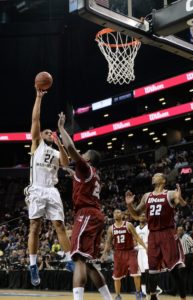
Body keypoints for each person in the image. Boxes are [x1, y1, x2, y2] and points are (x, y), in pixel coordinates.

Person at [58, 112, 113, 300]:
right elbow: (69, 166)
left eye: (85, 155)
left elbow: (71, 149)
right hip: (96, 215)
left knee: (78, 258)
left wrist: (61, 129)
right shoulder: (90, 173)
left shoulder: (86, 168)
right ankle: (108, 298)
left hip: (87, 214)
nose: (82, 155)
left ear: (88, 160)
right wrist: (58, 144)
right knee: (89, 264)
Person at [24, 89, 71, 286]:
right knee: (35, 226)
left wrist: (60, 142)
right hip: (37, 188)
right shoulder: (37, 145)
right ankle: (33, 265)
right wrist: (38, 97)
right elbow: (35, 121)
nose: (47, 133)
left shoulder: (54, 149)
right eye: (45, 132)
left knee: (59, 225)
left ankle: (69, 260)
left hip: (51, 190)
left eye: (49, 132)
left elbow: (66, 163)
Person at [125, 173, 190, 300]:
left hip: (168, 234)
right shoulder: (146, 196)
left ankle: (183, 297)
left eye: (157, 175)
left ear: (164, 180)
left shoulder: (170, 194)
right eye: (153, 175)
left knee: (174, 270)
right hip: (153, 235)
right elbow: (136, 214)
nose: (153, 176)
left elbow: (187, 211)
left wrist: (180, 198)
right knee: (152, 270)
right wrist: (129, 205)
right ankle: (153, 297)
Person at [101, 209, 147, 300]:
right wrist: (104, 253)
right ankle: (118, 295)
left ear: (122, 215)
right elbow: (108, 242)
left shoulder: (128, 225)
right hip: (118, 254)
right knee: (117, 277)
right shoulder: (111, 228)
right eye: (114, 212)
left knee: (136, 273)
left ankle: (138, 293)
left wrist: (146, 247)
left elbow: (137, 237)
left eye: (118, 212)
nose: (116, 214)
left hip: (130, 252)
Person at [135, 213, 162, 298]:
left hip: (148, 249)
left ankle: (152, 288)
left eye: (144, 216)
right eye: (141, 215)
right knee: (142, 272)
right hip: (140, 250)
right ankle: (144, 291)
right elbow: (136, 240)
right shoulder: (136, 228)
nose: (142, 217)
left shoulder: (149, 227)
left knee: (148, 271)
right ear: (138, 218)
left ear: (146, 218)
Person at [177, 226, 193, 293]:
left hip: (189, 256)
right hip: (184, 257)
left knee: (181, 273)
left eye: (181, 230)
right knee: (189, 274)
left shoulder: (187, 237)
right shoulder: (179, 238)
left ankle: (176, 290)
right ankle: (191, 291)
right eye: (178, 230)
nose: (179, 231)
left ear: (183, 231)